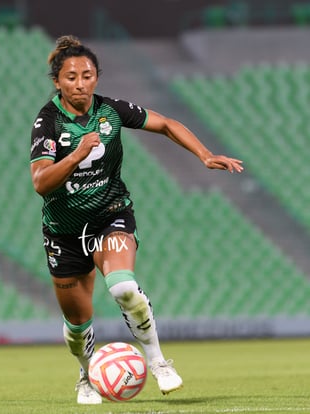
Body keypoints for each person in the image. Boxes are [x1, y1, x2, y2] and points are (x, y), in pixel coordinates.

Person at [30, 35, 243, 405]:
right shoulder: (46, 122)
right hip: (64, 232)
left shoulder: (111, 111)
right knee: (78, 328)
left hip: (110, 215)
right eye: (71, 77)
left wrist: (204, 155)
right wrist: (77, 154)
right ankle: (86, 375)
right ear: (57, 82)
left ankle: (158, 362)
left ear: (97, 77)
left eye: (87, 75)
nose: (80, 83)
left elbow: (166, 124)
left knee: (123, 288)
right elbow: (40, 182)